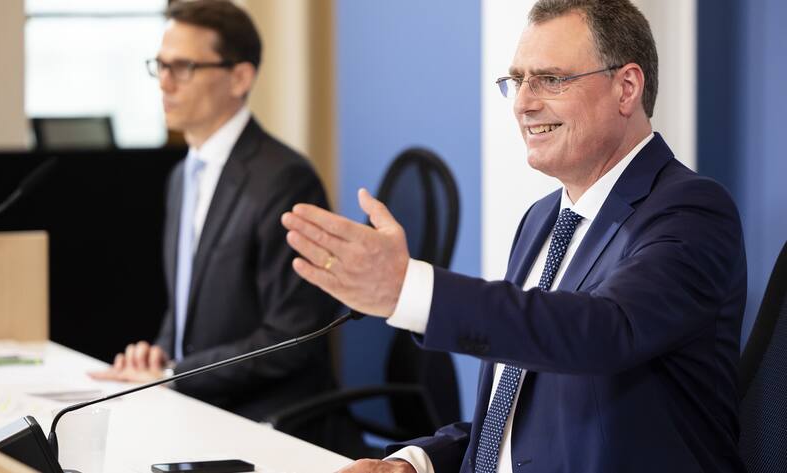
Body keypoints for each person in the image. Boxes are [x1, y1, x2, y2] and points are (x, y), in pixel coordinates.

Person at [281, 0, 746, 472]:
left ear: (626, 88)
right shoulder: (542, 219)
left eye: (550, 79)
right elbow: (516, 411)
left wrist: (412, 289)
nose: (523, 102)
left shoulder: (690, 211)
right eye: (517, 80)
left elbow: (603, 332)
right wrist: (418, 462)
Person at [91, 0, 339, 426]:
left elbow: (291, 337)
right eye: (160, 65)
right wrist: (159, 355)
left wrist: (172, 376)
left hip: (267, 418)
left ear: (240, 77)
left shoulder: (285, 180)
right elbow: (188, 302)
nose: (165, 83)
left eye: (183, 67)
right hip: (192, 405)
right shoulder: (180, 176)